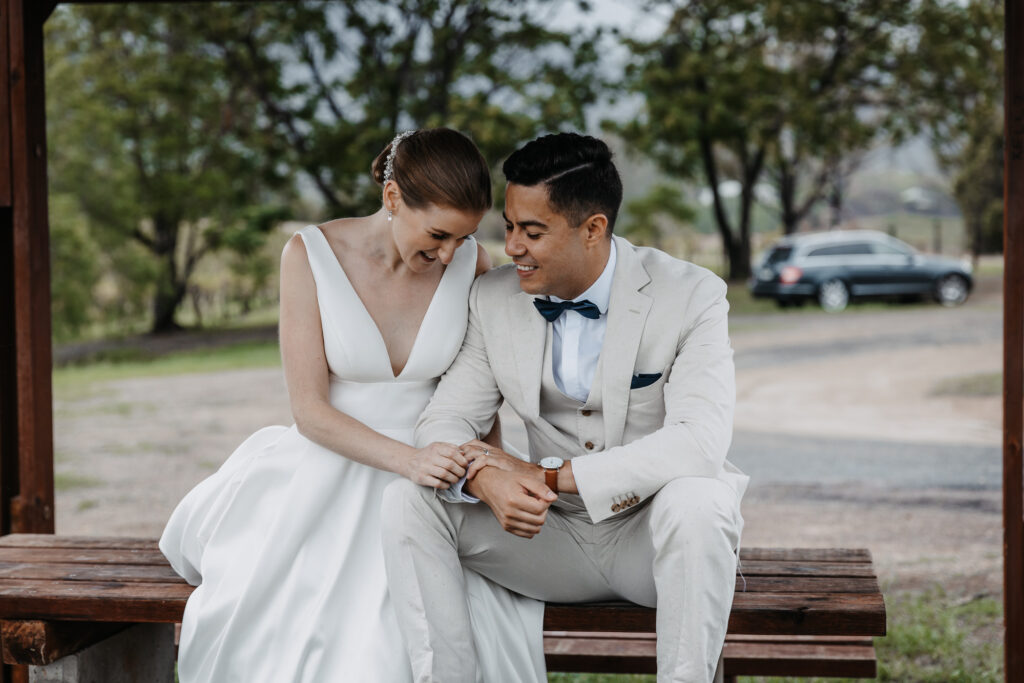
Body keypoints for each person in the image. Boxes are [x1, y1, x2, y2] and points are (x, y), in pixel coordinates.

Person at [160, 128, 546, 683]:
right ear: (393, 199)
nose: (447, 253)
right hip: (332, 461)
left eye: (461, 238)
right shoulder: (309, 255)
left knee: (464, 619)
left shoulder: (472, 266)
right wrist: (408, 461)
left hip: (437, 471)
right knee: (310, 626)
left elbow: (477, 401)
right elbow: (309, 409)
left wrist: (491, 472)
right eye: (438, 235)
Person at [380, 132, 749, 683]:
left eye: (532, 232)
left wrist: (546, 477)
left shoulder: (691, 294)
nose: (512, 248)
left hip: (652, 541)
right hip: (545, 539)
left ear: (593, 229)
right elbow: (446, 419)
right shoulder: (494, 298)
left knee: (700, 500)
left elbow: (699, 442)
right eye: (508, 227)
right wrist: (484, 479)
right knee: (409, 499)